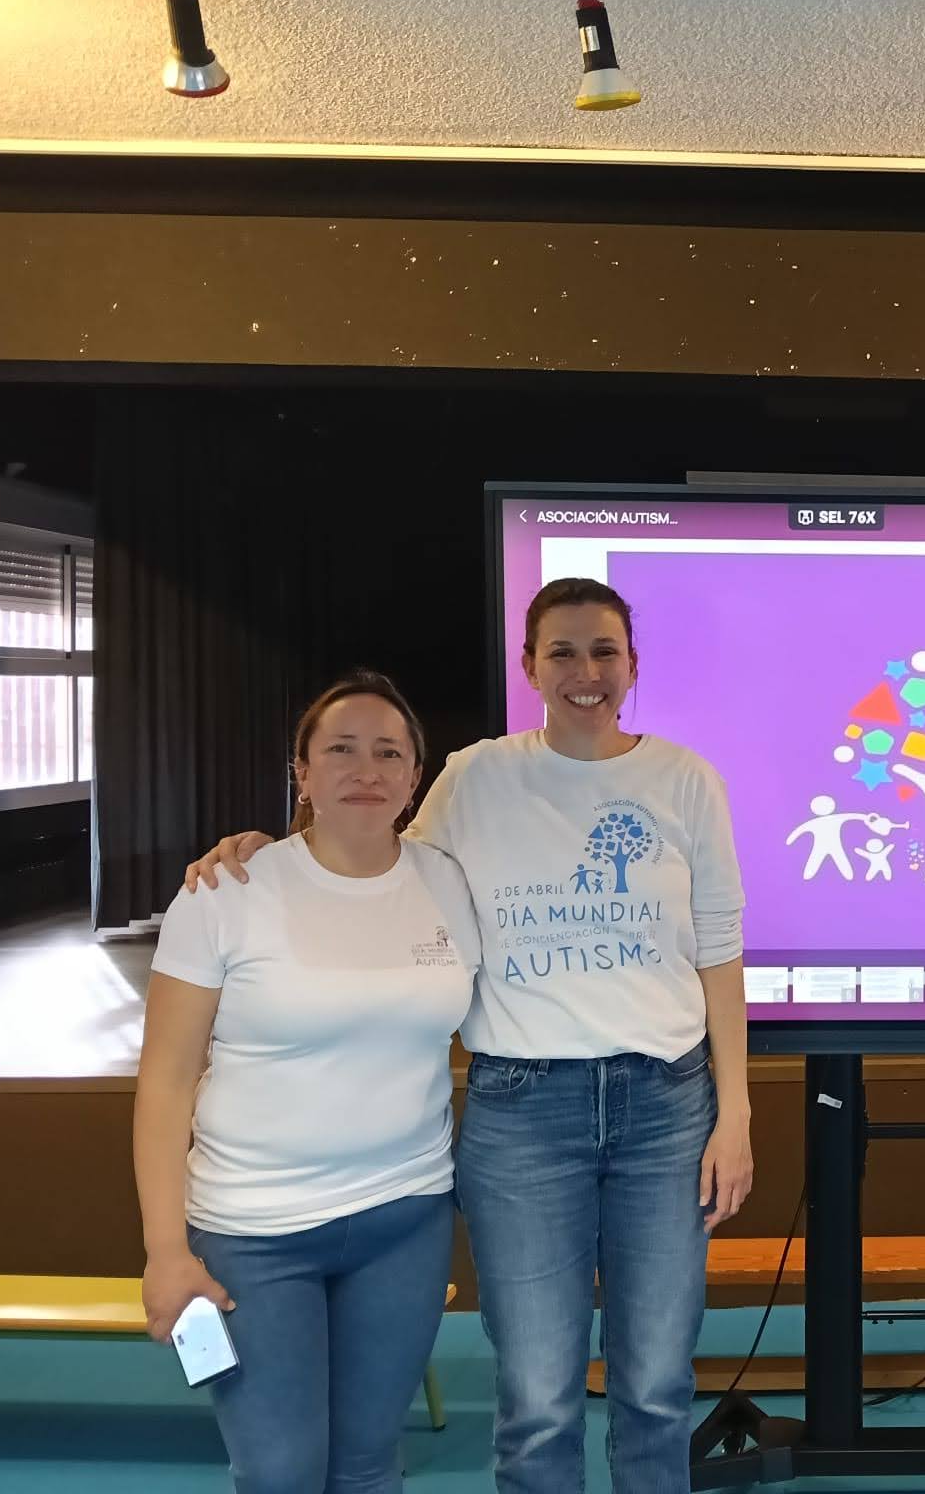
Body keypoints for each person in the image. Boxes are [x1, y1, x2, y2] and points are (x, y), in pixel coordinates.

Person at [188, 578, 750, 1494]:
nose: (584, 671)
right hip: (524, 1113)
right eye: (561, 651)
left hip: (667, 1108)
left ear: (633, 667)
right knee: (538, 1398)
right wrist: (269, 848)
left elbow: (720, 951)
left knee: (656, 1386)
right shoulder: (476, 776)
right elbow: (375, 854)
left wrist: (737, 1116)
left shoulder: (686, 781)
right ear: (528, 666)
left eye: (604, 651)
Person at [137, 672, 478, 1494]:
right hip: (253, 1232)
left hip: (405, 1219)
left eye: (388, 753)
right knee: (279, 1471)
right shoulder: (224, 893)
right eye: (341, 749)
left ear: (414, 777)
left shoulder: (450, 883)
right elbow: (165, 1084)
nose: (366, 769)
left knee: (368, 1465)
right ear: (303, 771)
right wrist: (164, 1252)